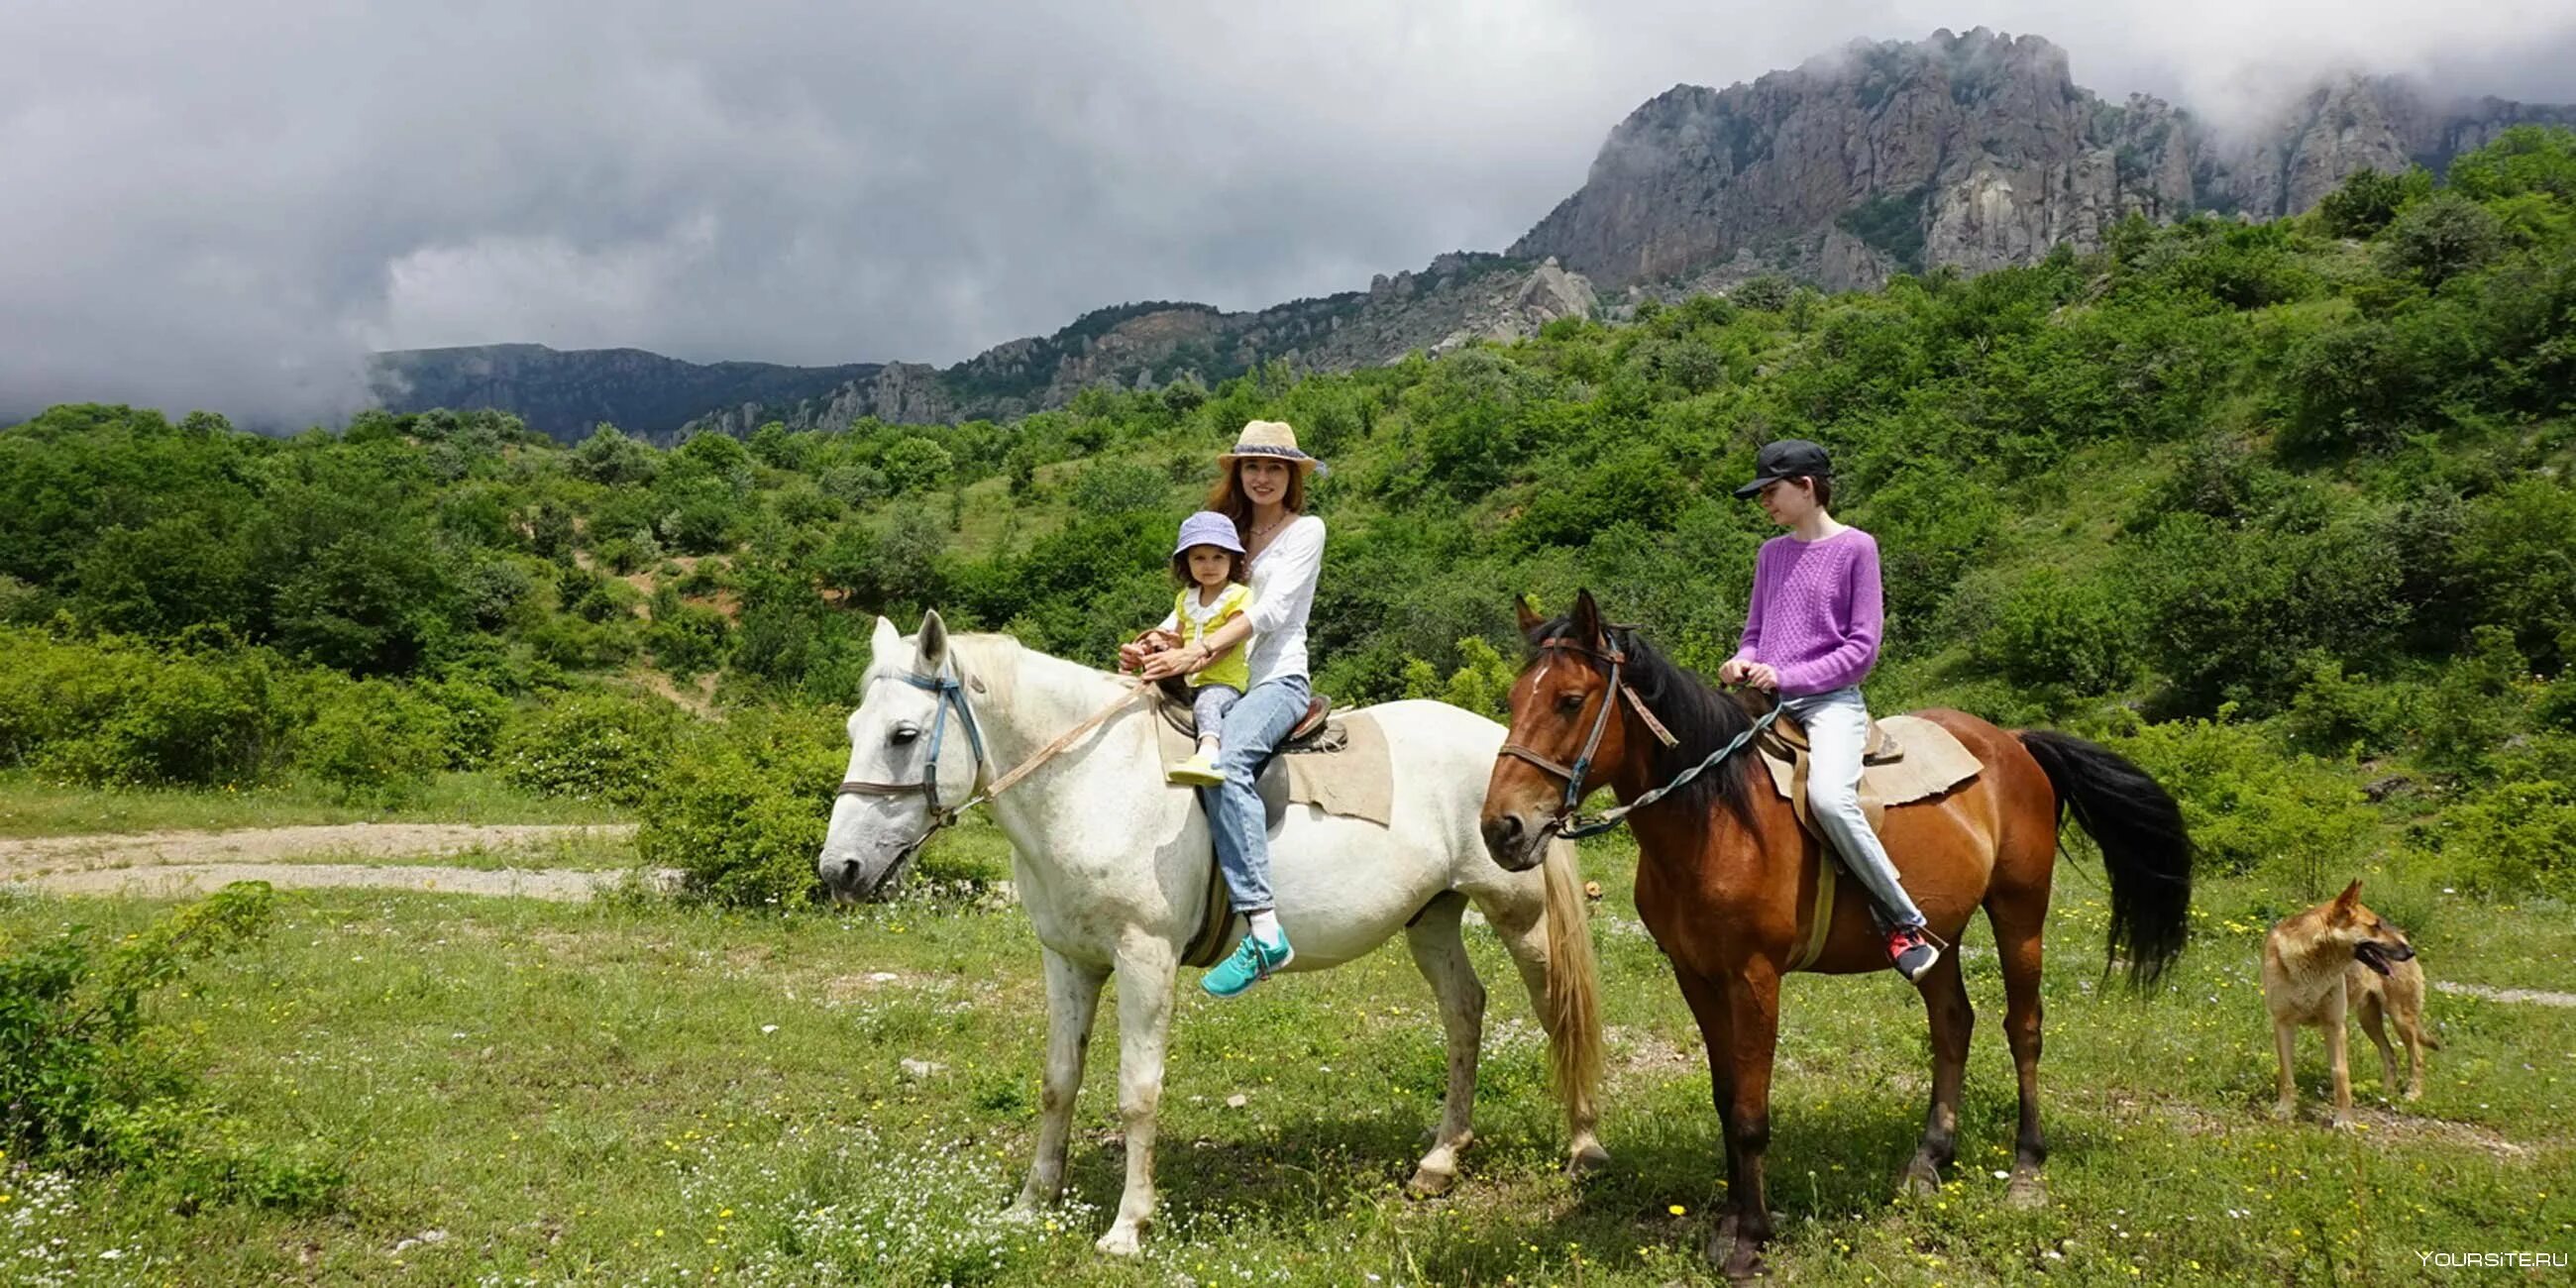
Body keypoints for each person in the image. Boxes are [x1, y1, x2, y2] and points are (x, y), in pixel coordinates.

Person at [1716, 438, 1939, 983]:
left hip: (1830, 703)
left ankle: (1904, 921)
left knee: (1832, 801)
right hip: (1763, 701)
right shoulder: (1771, 554)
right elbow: (1755, 634)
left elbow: (1860, 652)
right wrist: (1741, 661)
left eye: (1771, 490)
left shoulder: (1857, 548)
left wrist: (1787, 674)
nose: (1765, 502)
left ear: (1807, 487)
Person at [1127, 420, 1327, 999]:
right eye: (1252, 467)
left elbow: (1270, 611)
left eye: (1275, 468)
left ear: (1292, 477)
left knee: (1226, 763)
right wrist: (1156, 641)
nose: (1263, 477)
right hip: (1211, 677)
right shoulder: (1224, 533)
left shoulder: (1304, 532)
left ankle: (1264, 929)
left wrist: (1199, 649)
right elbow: (1193, 605)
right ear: (1238, 475)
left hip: (1274, 679)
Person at [1136, 511, 1257, 787]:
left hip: (1223, 680)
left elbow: (1231, 641)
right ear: (1186, 563)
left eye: (1218, 557)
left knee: (1208, 704)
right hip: (1188, 680)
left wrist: (1198, 662)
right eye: (1199, 558)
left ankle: (1209, 753)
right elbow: (1176, 638)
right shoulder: (1185, 599)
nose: (1209, 565)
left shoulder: (1238, 595)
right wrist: (1159, 646)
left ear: (1233, 561)